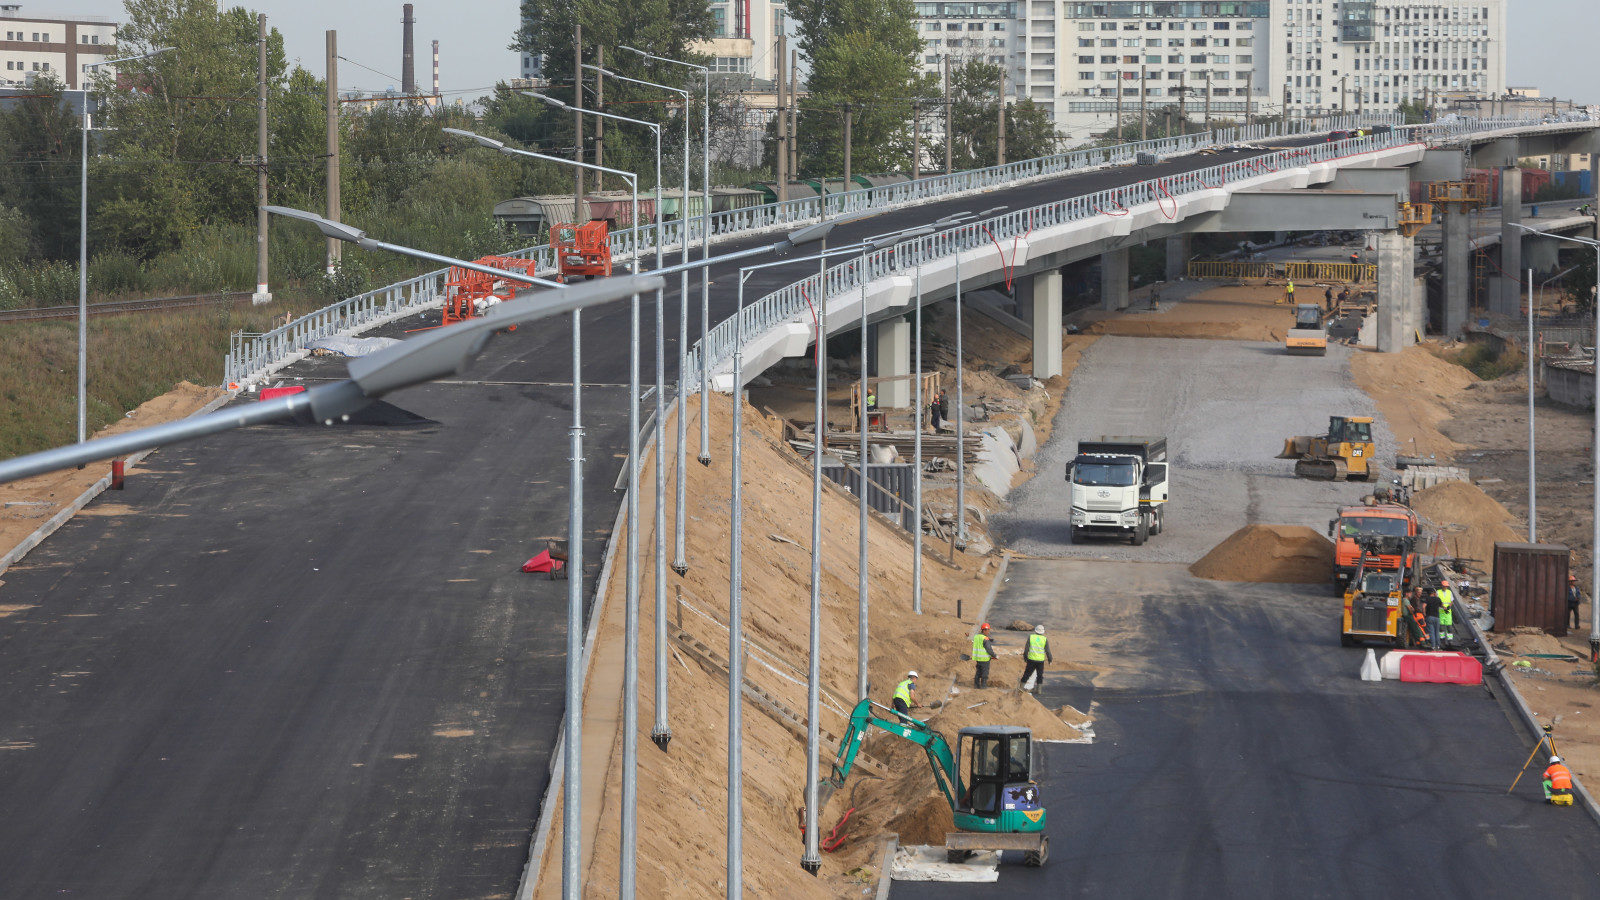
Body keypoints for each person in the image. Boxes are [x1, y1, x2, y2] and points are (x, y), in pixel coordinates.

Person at [1020, 625, 1051, 693]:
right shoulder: (1044, 639)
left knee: (1027, 674)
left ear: (1035, 630)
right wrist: (1050, 659)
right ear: (1043, 632)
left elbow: (1026, 649)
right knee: (1040, 675)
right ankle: (1039, 690)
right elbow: (1048, 651)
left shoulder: (1031, 637)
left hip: (1031, 660)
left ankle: (1021, 688)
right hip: (1040, 661)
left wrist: (1025, 657)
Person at [971, 624, 995, 688]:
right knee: (985, 674)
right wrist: (994, 655)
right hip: (985, 659)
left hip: (978, 659)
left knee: (978, 673)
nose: (988, 632)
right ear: (984, 630)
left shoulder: (976, 637)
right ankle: (983, 686)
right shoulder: (985, 638)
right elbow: (989, 649)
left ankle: (976, 686)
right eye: (988, 630)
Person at [1424, 584, 1443, 650]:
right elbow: (1442, 606)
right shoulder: (1438, 599)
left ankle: (1433, 646)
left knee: (1431, 632)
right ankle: (1438, 646)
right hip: (1437, 618)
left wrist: (1424, 613)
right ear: (1434, 593)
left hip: (1429, 617)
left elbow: (1424, 606)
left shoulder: (1427, 599)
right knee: (1437, 632)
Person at [1437, 582, 1456, 646]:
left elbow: (1451, 601)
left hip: (1448, 612)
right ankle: (1442, 640)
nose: (1446, 587)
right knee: (1441, 628)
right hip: (1441, 612)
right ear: (1442, 586)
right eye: (1445, 586)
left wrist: (1449, 606)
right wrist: (1443, 607)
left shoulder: (1449, 592)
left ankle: (1450, 641)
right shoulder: (1438, 592)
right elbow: (1438, 601)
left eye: (1446, 586)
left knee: (1449, 627)